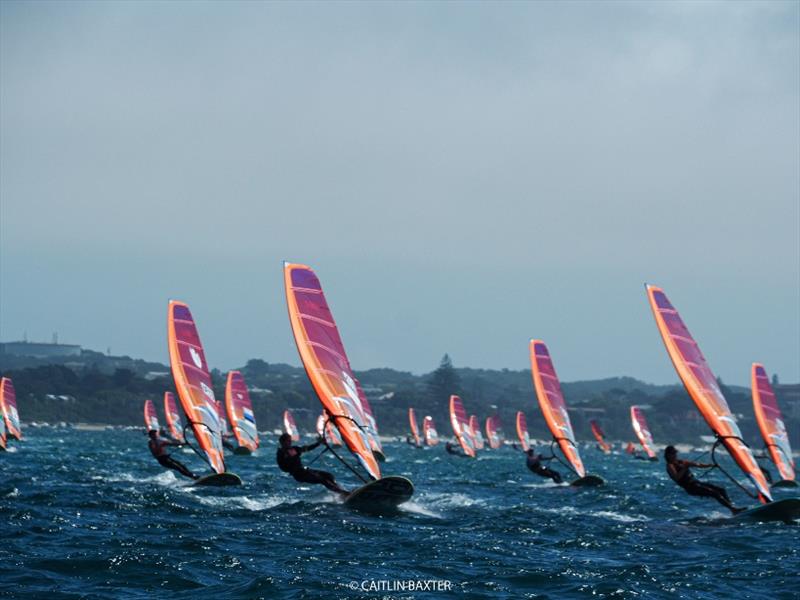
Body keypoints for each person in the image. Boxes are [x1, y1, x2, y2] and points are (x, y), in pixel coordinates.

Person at [664, 446, 744, 514]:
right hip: (690, 488)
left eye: (675, 453)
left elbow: (698, 464)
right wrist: (685, 468)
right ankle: (733, 509)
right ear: (668, 455)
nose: (675, 455)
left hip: (696, 483)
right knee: (714, 493)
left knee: (721, 490)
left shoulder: (681, 462)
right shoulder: (670, 466)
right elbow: (676, 478)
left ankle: (733, 508)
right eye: (673, 453)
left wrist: (709, 465)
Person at [276, 433, 348, 495]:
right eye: (288, 440)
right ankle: (342, 493)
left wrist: (318, 443)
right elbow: (283, 468)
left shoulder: (294, 449)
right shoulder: (281, 453)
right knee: (322, 480)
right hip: (299, 475)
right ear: (283, 442)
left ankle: (340, 491)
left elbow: (307, 448)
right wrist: (290, 463)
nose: (290, 441)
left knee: (328, 475)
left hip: (305, 471)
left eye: (290, 440)